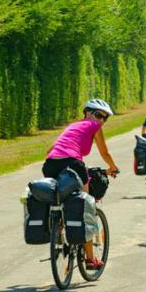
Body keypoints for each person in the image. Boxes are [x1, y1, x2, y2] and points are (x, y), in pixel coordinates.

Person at [43, 98, 120, 270]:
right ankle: (91, 259)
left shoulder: (72, 126)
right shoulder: (94, 127)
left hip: (50, 164)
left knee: (61, 199)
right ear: (87, 112)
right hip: (73, 164)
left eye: (105, 118)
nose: (101, 120)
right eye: (99, 115)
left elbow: (50, 151)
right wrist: (113, 167)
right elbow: (104, 152)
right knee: (86, 205)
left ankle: (59, 228)